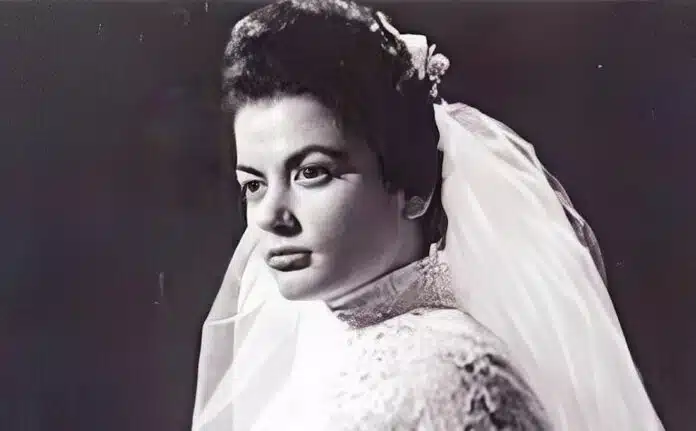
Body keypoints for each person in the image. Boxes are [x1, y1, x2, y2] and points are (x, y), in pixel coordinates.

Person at [192, 1, 664, 430]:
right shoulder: (318, 350)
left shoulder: (453, 377)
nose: (270, 216)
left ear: (413, 186)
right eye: (254, 185)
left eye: (312, 172)